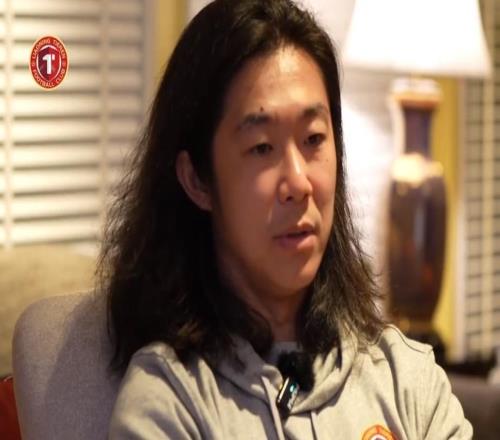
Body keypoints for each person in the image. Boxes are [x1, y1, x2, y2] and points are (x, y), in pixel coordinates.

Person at [103, 0, 472, 438]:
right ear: (197, 179)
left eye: (314, 139)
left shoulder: (405, 377)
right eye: (262, 147)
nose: (298, 181)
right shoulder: (170, 403)